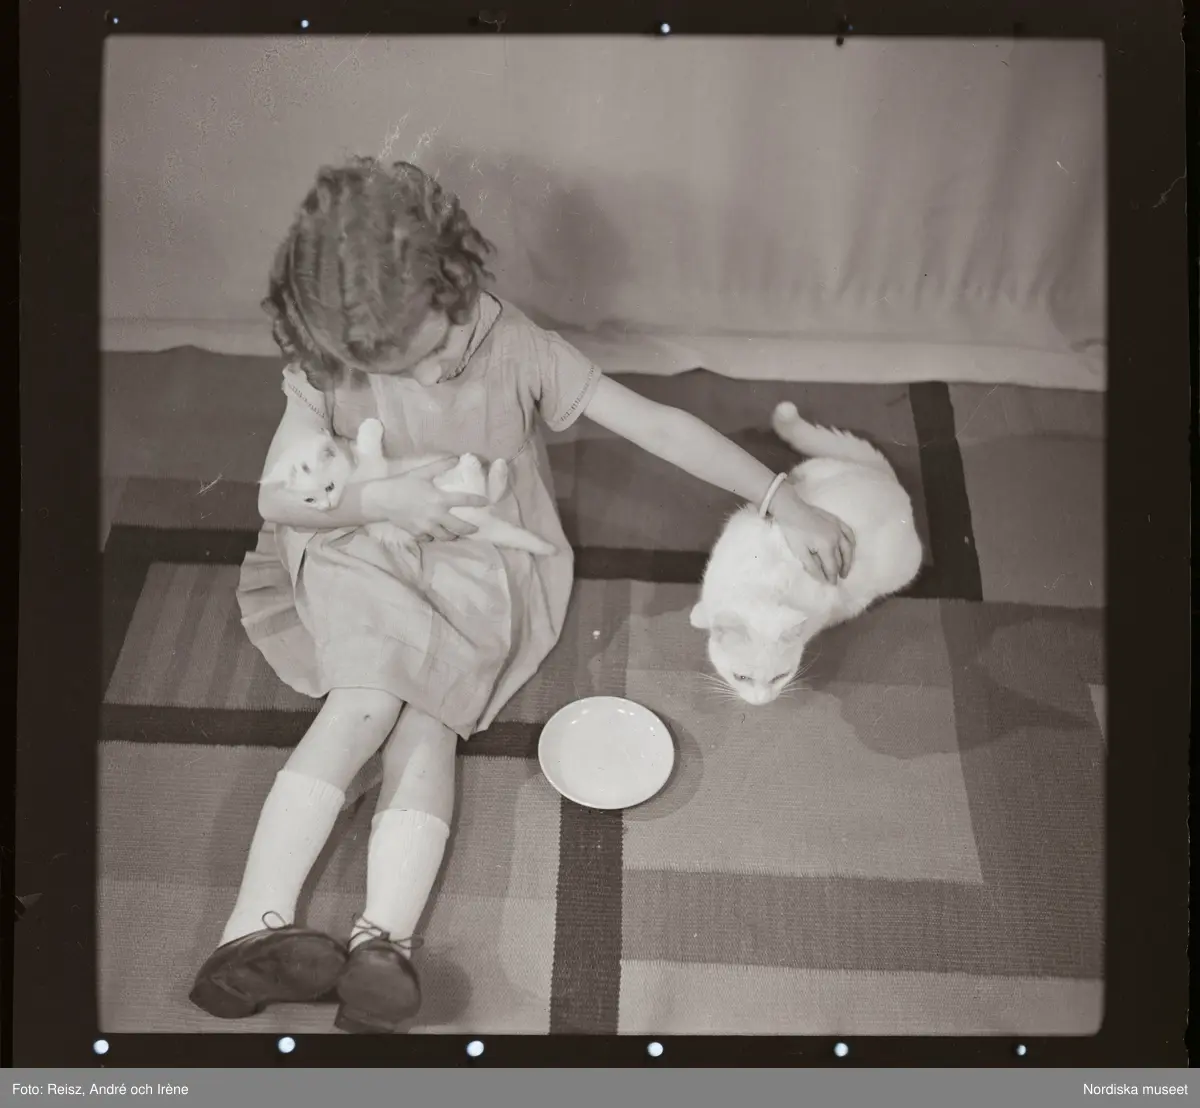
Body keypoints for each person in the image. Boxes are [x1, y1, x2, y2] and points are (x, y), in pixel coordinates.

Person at [189, 157, 855, 1033]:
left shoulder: (523, 351)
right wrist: (381, 501)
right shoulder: (331, 360)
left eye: (440, 350)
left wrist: (781, 497)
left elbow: (658, 426)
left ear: (458, 282)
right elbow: (280, 500)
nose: (434, 376)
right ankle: (251, 930)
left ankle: (382, 945)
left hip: (480, 557)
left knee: (428, 726)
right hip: (360, 541)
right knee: (364, 702)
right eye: (404, 368)